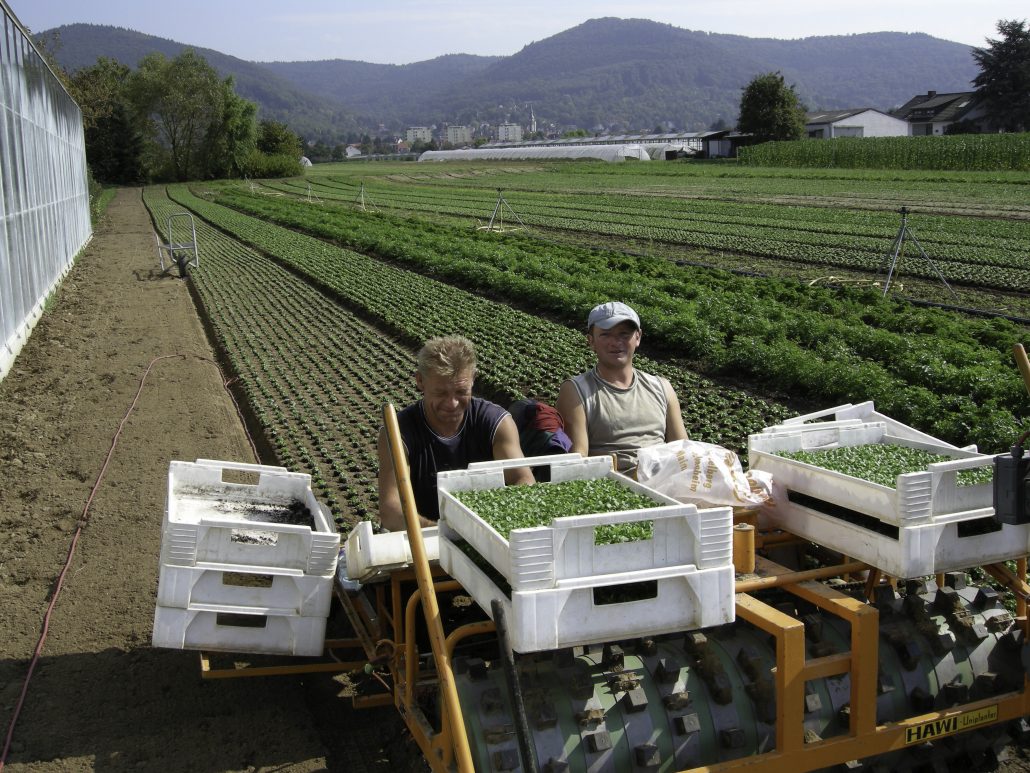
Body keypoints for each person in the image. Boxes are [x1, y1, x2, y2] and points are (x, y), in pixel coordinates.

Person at [377, 335, 533, 531]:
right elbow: (391, 511)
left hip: (487, 531)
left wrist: (491, 527)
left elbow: (523, 480)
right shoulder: (398, 434)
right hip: (423, 536)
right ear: (420, 381)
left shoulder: (496, 423)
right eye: (440, 393)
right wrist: (447, 533)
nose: (452, 404)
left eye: (461, 392)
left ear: (473, 379)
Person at [556, 301, 688, 472]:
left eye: (624, 334)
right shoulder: (576, 391)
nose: (616, 342)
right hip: (615, 482)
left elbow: (682, 449)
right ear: (591, 341)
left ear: (638, 337)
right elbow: (579, 459)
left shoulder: (662, 387)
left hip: (666, 478)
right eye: (605, 335)